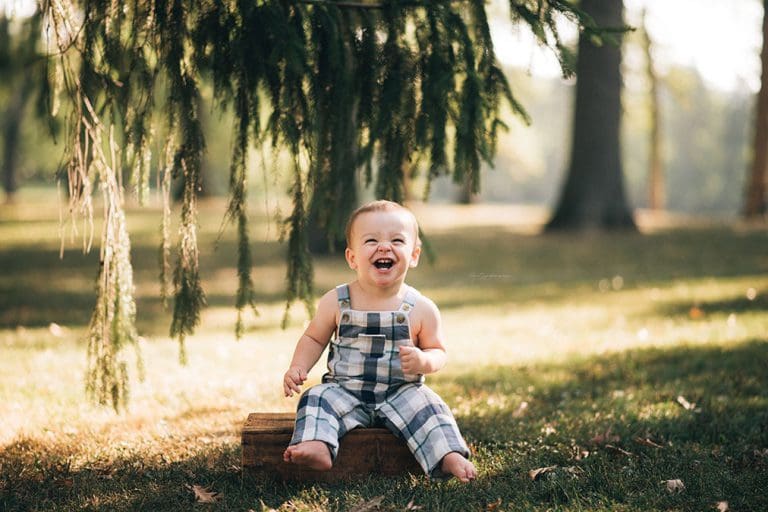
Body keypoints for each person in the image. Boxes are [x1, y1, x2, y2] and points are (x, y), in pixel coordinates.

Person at [282, 200, 476, 482]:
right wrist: (298, 366)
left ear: (414, 255)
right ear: (352, 258)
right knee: (316, 397)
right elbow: (313, 337)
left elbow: (438, 350)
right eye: (371, 240)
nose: (384, 247)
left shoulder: (421, 308)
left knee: (431, 408)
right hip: (345, 391)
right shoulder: (336, 301)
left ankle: (449, 456)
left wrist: (425, 360)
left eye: (397, 240)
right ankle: (317, 445)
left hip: (401, 392)